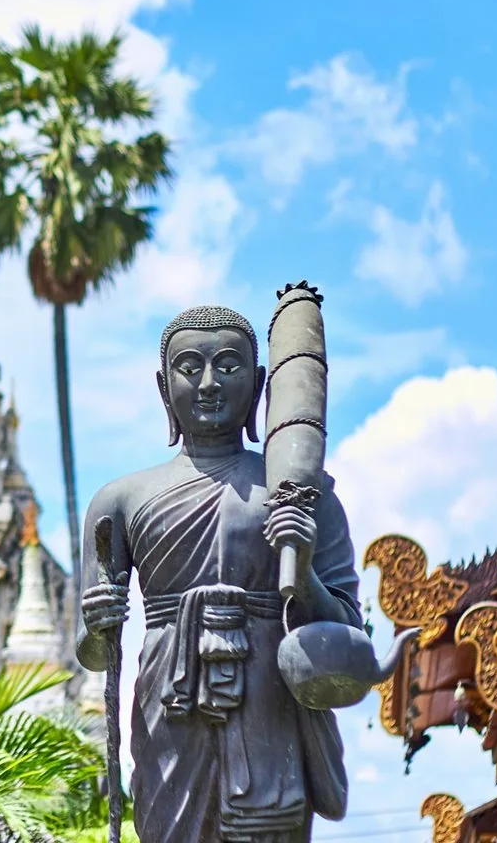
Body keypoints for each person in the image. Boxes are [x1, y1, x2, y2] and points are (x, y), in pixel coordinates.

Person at [78, 305, 360, 843]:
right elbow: (92, 654)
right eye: (190, 367)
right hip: (170, 705)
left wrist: (300, 576)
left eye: (228, 367)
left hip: (270, 706)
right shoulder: (119, 501)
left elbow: (348, 635)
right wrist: (99, 623)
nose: (208, 383)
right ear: (165, 388)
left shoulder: (303, 494)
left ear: (258, 386)